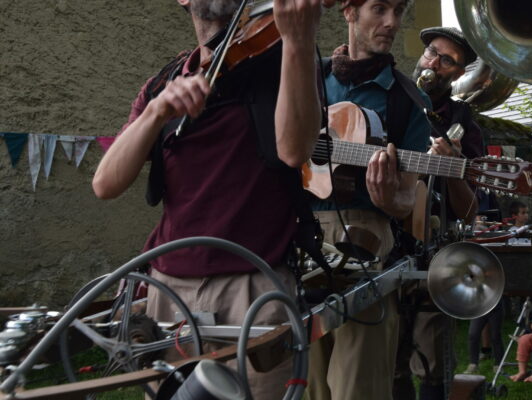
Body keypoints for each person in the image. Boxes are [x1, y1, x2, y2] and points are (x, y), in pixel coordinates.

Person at [92, 1, 333, 398]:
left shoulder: (285, 61)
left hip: (253, 289)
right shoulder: (164, 82)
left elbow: (294, 150)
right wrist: (155, 111)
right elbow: (105, 184)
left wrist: (299, 39)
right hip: (168, 291)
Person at [305, 1, 431, 399]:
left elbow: (409, 196)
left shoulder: (406, 99)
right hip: (297, 238)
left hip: (366, 243)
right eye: (379, 8)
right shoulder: (309, 78)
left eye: (399, 10)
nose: (392, 22)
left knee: (357, 387)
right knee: (300, 382)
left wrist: (390, 199)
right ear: (348, 11)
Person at [393, 27, 482, 400]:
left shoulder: (464, 122)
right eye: (432, 52)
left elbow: (472, 209)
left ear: (458, 74)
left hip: (435, 252)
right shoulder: (388, 98)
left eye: (448, 60)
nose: (434, 62)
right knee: (387, 358)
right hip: (384, 247)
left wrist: (454, 169)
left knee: (431, 362)